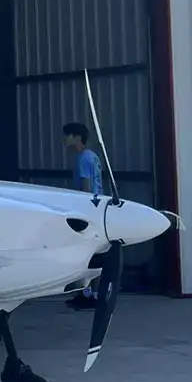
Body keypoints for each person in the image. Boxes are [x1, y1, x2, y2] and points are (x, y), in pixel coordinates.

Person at [63, 121, 104, 310]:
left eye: (68, 135)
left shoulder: (82, 159)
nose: (65, 139)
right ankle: (91, 293)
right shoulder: (93, 156)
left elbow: (86, 187)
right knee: (95, 253)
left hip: (88, 209)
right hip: (98, 207)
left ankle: (88, 294)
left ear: (77, 137)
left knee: (85, 253)